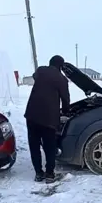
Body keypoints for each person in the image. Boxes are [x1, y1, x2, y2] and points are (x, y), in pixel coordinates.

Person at [24, 55, 71, 183]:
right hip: (49, 118)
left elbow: (35, 76)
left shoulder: (41, 70)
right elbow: (65, 99)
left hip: (32, 115)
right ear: (61, 66)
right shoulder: (62, 79)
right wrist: (66, 111)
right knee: (50, 146)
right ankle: (50, 174)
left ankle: (38, 173)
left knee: (34, 145)